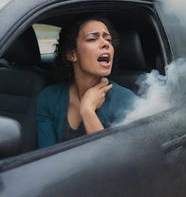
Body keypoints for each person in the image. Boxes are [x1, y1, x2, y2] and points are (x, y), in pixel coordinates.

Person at [37, 16, 136, 148]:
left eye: (108, 39)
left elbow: (113, 162)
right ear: (72, 54)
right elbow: (44, 157)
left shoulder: (126, 100)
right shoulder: (48, 97)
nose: (106, 43)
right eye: (92, 39)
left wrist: (88, 111)